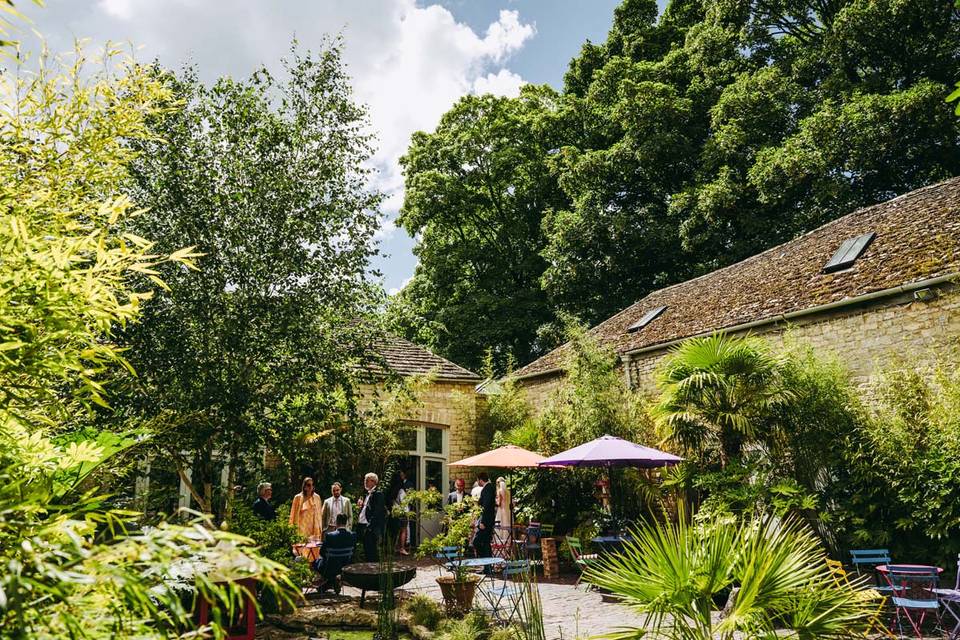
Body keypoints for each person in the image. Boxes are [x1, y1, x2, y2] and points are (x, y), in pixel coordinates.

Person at [312, 513, 355, 592]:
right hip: (345, 567)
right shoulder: (352, 535)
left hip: (329, 567)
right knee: (327, 564)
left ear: (336, 522)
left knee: (315, 562)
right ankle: (331, 582)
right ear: (346, 522)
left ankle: (324, 583)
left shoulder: (330, 536)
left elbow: (322, 552)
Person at [357, 472, 386, 562]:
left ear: (373, 482)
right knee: (367, 550)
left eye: (366, 480)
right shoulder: (367, 494)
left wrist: (369, 527)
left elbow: (377, 512)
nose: (365, 482)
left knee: (372, 551)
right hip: (363, 525)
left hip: (371, 527)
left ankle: (374, 572)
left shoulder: (378, 494)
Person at [473, 472, 496, 560]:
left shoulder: (487, 489)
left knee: (477, 542)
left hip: (486, 522)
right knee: (485, 544)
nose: (477, 482)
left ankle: (485, 562)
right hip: (487, 521)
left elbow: (486, 506)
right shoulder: (488, 488)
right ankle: (487, 566)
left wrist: (483, 522)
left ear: (480, 480)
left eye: (477, 480)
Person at [387, 471, 410, 556]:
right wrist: (407, 513)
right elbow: (404, 503)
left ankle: (393, 548)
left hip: (394, 513)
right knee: (403, 531)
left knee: (394, 531)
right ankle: (402, 548)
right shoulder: (401, 491)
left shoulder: (391, 490)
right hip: (402, 513)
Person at [495, 477, 512, 545]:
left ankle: (501, 544)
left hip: (501, 511)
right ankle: (507, 542)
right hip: (508, 511)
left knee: (500, 527)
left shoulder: (499, 491)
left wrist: (495, 500)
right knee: (507, 526)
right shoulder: (508, 491)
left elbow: (498, 503)